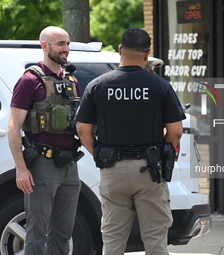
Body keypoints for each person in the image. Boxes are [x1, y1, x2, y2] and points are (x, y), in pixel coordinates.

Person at [75, 27, 185, 255]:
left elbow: (83, 129)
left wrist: (97, 152)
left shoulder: (97, 85)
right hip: (150, 170)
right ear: (147, 54)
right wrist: (165, 149)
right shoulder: (160, 86)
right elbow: (176, 130)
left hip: (112, 169)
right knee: (155, 240)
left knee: (113, 241)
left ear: (119, 50)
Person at [7, 26, 81, 255]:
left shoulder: (72, 81)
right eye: (60, 44)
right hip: (42, 165)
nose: (65, 49)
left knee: (63, 234)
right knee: (37, 234)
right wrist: (21, 169)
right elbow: (13, 127)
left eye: (67, 43)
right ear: (44, 45)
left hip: (69, 166)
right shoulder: (29, 80)